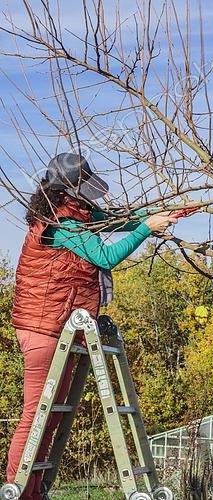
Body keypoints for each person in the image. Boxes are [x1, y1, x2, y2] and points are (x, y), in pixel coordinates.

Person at [6, 153, 178, 500]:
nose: (91, 195)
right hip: (43, 328)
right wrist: (148, 229)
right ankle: (19, 491)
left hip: (57, 324)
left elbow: (116, 220)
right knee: (36, 415)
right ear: (70, 191)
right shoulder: (62, 224)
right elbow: (105, 257)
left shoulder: (78, 215)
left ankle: (34, 491)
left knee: (48, 418)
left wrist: (159, 216)